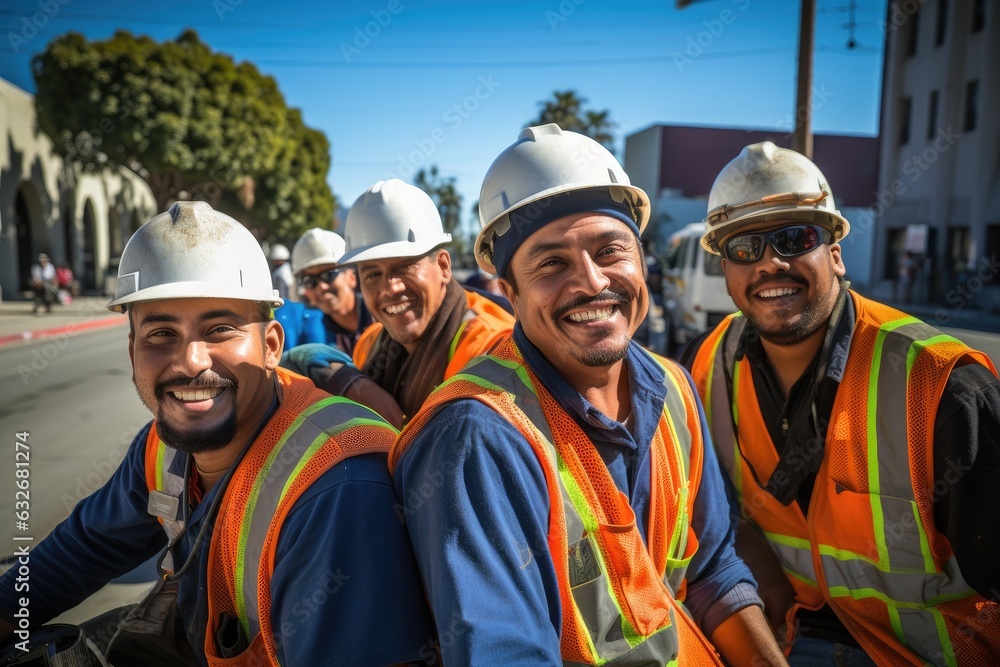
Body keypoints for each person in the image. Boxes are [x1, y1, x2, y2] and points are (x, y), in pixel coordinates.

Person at [390, 124, 787, 666]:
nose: (592, 282)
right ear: (510, 291)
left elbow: (713, 573)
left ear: (641, 261)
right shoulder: (477, 437)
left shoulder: (673, 389)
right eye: (551, 264)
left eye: (611, 250)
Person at [0, 202, 435, 666]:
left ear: (271, 347)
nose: (191, 361)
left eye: (220, 329)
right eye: (161, 333)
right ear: (132, 351)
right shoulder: (164, 446)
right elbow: (79, 551)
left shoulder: (338, 486)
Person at [684, 141, 1000, 665]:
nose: (771, 263)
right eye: (744, 248)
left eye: (793, 237)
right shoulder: (706, 363)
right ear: (726, 269)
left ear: (834, 251)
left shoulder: (942, 387)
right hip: (782, 639)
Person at [337, 178, 514, 424]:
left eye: (405, 266)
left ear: (443, 266)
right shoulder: (370, 345)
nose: (390, 288)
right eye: (373, 275)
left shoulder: (493, 352)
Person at [290, 228, 373, 355]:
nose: (321, 287)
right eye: (310, 281)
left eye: (328, 275)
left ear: (351, 277)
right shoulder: (315, 337)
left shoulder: (380, 315)